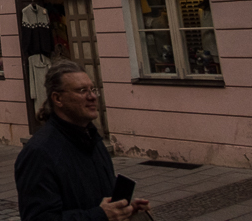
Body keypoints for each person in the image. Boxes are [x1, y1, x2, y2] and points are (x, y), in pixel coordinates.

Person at [15, 60, 151, 221]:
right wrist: (100, 216)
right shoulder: (39, 152)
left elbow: (101, 196)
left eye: (92, 90)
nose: (92, 96)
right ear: (58, 98)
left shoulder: (93, 139)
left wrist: (123, 209)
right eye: (82, 91)